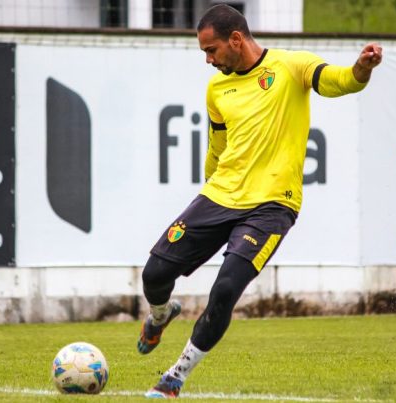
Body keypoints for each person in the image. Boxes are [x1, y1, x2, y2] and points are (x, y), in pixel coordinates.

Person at [137, 3, 383, 398]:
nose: (208, 60)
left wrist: (362, 69)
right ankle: (161, 314)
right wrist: (208, 194)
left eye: (211, 50)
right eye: (204, 52)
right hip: (220, 195)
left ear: (236, 39)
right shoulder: (217, 87)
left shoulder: (291, 66)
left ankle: (174, 378)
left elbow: (341, 81)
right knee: (153, 274)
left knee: (225, 290)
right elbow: (218, 146)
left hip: (272, 205)